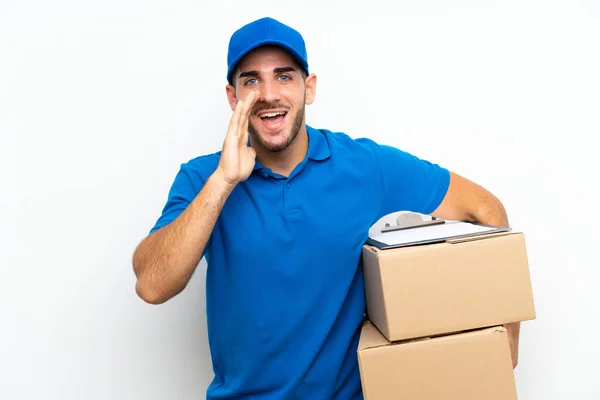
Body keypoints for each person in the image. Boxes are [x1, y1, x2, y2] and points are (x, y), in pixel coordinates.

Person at [132, 16, 520, 400]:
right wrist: (223, 181)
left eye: (284, 76)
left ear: (309, 88)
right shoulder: (203, 178)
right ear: (233, 97)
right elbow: (152, 285)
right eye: (251, 80)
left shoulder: (366, 167)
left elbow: (485, 209)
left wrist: (505, 346)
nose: (268, 94)